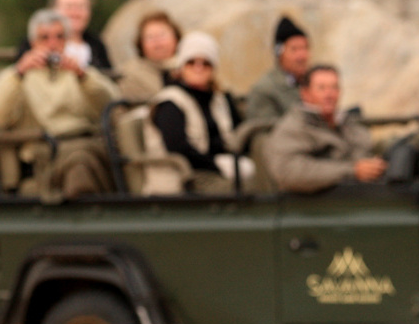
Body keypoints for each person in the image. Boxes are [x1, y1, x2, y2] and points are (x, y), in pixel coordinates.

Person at [0, 9, 119, 198]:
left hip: (86, 140)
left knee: (84, 156)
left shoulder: (82, 73)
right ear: (32, 42)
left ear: (68, 40)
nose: (52, 44)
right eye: (44, 38)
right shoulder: (16, 76)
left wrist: (82, 77)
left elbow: (112, 105)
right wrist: (19, 74)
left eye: (60, 37)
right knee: (79, 161)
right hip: (46, 148)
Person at [143, 31, 253, 195]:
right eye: (191, 62)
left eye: (206, 63)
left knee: (262, 178)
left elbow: (239, 133)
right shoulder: (170, 102)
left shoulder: (220, 99)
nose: (198, 68)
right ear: (181, 66)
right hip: (186, 177)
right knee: (246, 189)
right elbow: (178, 148)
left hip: (221, 170)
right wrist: (217, 165)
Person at [265, 65, 387, 194]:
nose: (329, 94)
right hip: (312, 207)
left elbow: (365, 148)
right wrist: (352, 170)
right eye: (321, 88)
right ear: (305, 93)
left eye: (334, 88)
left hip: (354, 199)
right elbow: (289, 173)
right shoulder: (293, 128)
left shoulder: (347, 123)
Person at [15, 0, 111, 71]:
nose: (75, 12)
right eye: (69, 6)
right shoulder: (32, 43)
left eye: (81, 6)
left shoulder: (97, 45)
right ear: (53, 9)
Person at [244, 15, 310, 124]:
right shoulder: (264, 90)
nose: (302, 56)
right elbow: (261, 134)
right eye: (294, 49)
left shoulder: (310, 84)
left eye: (305, 48)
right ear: (280, 53)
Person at [118, 11, 182, 102]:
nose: (157, 41)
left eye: (162, 35)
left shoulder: (192, 65)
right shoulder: (132, 73)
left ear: (176, 37)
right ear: (140, 44)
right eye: (150, 37)